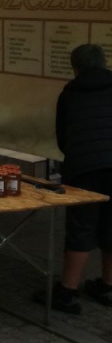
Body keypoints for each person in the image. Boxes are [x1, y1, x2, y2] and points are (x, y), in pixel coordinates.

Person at [43, 44, 112, 314]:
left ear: (76, 67)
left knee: (82, 226)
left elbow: (64, 138)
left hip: (85, 168)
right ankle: (107, 287)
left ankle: (68, 292)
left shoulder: (70, 94)